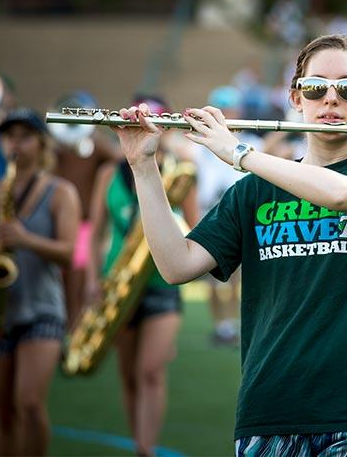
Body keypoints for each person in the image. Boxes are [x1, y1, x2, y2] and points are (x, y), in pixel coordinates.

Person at [113, 34, 347, 456]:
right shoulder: (252, 193)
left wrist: (238, 152)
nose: (331, 99)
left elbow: (340, 196)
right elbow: (176, 265)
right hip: (268, 407)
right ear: (296, 97)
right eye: (315, 88)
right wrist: (143, 166)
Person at [87, 96, 198, 456]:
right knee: (129, 374)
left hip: (161, 281)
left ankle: (145, 449)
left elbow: (198, 227)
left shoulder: (181, 171)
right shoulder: (108, 174)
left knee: (150, 370)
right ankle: (138, 441)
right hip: (118, 282)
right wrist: (92, 278)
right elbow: (96, 232)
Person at [0, 108, 81, 455]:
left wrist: (24, 238)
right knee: (3, 411)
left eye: (24, 136)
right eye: (9, 136)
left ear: (41, 143)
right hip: (1, 313)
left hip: (43, 309)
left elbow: (68, 252)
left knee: (29, 402)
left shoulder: (61, 192)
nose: (16, 143)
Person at [194, 85, 263, 347]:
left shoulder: (252, 143)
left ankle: (233, 323)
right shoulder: (202, 146)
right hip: (210, 211)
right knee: (211, 277)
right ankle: (219, 325)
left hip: (240, 213)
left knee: (238, 276)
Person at [50, 91, 123, 330]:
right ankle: (67, 327)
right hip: (58, 224)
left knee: (79, 280)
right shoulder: (58, 150)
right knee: (62, 280)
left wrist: (95, 133)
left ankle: (76, 328)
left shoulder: (97, 148)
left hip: (85, 224)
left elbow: (119, 160)